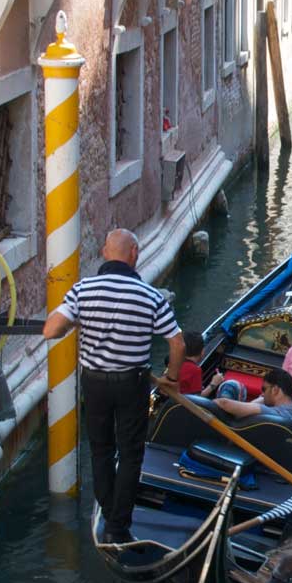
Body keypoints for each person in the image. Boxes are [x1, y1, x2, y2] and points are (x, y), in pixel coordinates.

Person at [43, 228, 185, 544]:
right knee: (131, 453)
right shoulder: (149, 295)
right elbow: (177, 342)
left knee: (101, 450)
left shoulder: (82, 290)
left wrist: (74, 322)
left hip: (94, 383)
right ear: (134, 254)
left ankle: (109, 515)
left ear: (106, 253)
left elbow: (50, 331)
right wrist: (171, 379)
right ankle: (119, 525)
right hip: (132, 384)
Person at [213, 367, 292, 435]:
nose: (262, 394)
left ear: (275, 390)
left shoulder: (274, 414)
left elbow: (224, 403)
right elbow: (259, 401)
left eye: (264, 389)